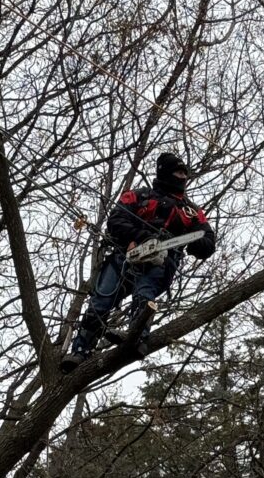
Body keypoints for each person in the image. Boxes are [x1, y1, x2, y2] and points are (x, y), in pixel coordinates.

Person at [61, 152, 216, 372]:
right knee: (101, 299)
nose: (182, 177)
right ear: (165, 172)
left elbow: (208, 240)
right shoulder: (138, 196)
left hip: (163, 260)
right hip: (125, 255)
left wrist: (197, 245)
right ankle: (80, 350)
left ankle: (137, 335)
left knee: (145, 292)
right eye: (178, 172)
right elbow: (116, 220)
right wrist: (140, 237)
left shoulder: (191, 211)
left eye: (184, 173)